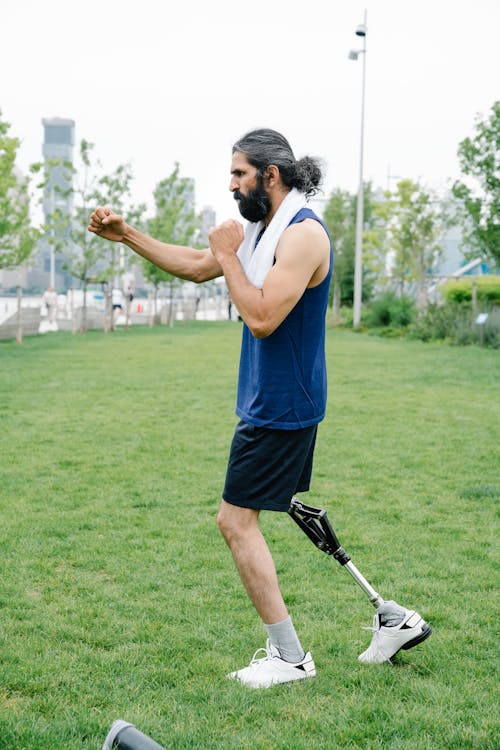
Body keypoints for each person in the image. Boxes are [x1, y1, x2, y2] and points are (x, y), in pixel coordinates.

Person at [88, 128, 430, 687]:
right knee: (287, 511)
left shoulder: (304, 235)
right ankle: (394, 617)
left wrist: (226, 256)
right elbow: (199, 266)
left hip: (282, 406)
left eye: (240, 174)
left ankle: (291, 657)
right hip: (274, 401)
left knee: (235, 521)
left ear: (272, 175)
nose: (231, 185)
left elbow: (263, 316)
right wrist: (128, 236)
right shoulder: (262, 228)